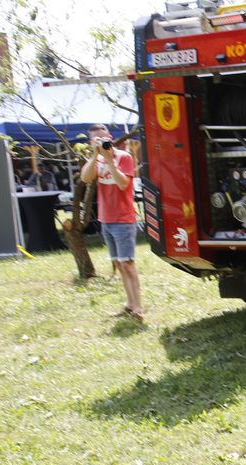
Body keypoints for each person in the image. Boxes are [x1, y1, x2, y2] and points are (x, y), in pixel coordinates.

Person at [80, 123, 143, 322]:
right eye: (96, 139)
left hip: (123, 218)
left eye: (103, 137)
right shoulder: (95, 160)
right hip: (106, 219)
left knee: (128, 264)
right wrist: (94, 155)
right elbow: (85, 178)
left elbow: (123, 183)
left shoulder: (123, 157)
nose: (101, 141)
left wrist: (109, 160)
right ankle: (129, 304)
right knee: (119, 264)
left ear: (110, 136)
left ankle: (138, 308)